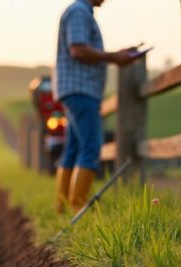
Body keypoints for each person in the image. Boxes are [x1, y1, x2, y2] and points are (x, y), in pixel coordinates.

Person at [53, 0, 137, 213]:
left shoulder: (79, 11)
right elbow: (78, 50)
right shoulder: (79, 12)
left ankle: (62, 206)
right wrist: (114, 57)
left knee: (73, 149)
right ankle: (78, 206)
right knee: (91, 146)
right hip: (81, 90)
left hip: (75, 90)